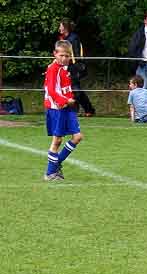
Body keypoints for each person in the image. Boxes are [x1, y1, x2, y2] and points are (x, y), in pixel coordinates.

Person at [43, 40, 84, 181]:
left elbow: (64, 88)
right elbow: (52, 91)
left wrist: (70, 98)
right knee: (57, 141)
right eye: (61, 55)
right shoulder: (52, 69)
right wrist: (66, 100)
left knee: (77, 137)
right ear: (55, 54)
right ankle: (50, 173)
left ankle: (56, 163)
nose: (64, 58)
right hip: (57, 108)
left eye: (67, 55)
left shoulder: (65, 69)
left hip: (67, 107)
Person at [58, 19, 95, 117]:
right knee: (75, 89)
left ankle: (75, 109)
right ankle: (89, 109)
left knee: (75, 89)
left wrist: (76, 67)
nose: (59, 28)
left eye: (61, 26)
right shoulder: (63, 38)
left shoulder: (73, 38)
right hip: (66, 66)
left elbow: (76, 54)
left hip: (74, 67)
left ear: (66, 28)